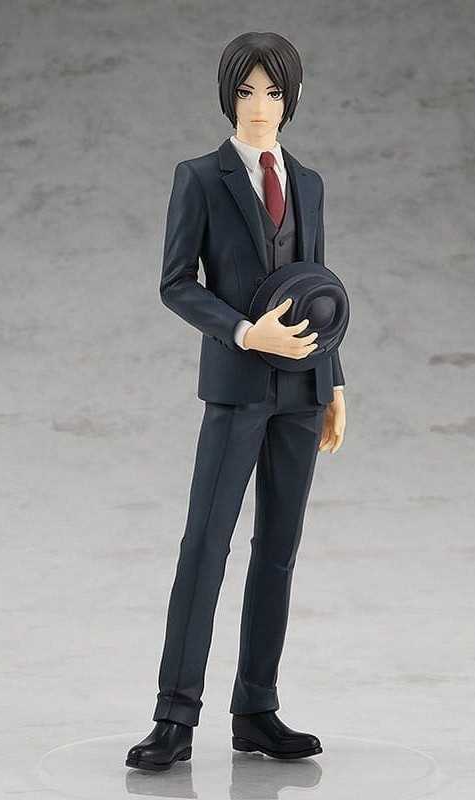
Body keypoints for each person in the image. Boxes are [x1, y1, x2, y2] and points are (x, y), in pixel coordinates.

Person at [126, 31, 347, 772]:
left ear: (293, 98)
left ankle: (256, 708)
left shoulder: (308, 182)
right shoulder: (200, 177)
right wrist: (247, 332)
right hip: (237, 388)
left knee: (277, 551)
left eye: (274, 92)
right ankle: (175, 715)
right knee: (205, 545)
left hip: (302, 392)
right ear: (228, 95)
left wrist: (334, 380)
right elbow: (176, 283)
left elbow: (318, 285)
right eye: (248, 91)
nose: (260, 106)